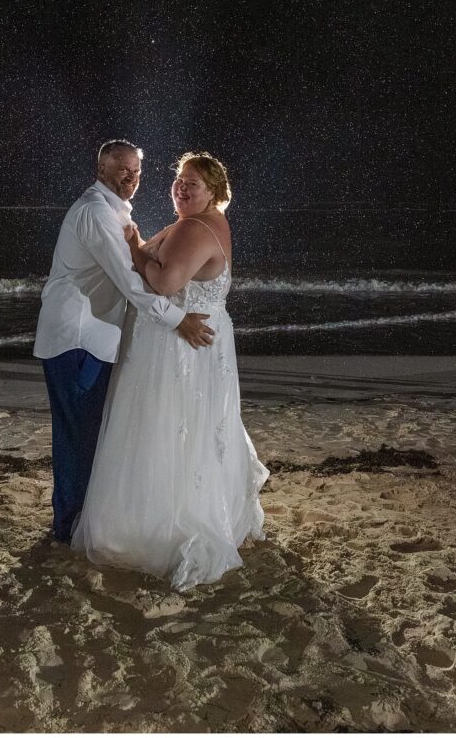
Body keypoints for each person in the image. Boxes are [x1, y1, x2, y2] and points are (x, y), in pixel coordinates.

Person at [71, 151, 270, 592]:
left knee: (166, 425)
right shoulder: (202, 222)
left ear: (213, 191)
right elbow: (155, 260)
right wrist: (138, 246)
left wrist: (130, 248)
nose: (181, 187)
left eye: (192, 183)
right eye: (179, 180)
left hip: (180, 345)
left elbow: (163, 282)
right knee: (194, 427)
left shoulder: (195, 227)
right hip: (196, 340)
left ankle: (156, 526)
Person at [33, 140, 216, 543]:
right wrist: (177, 320)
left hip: (94, 336)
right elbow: (129, 281)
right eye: (122, 170)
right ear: (101, 170)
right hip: (76, 338)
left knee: (89, 432)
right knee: (77, 436)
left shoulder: (116, 210)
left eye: (136, 171)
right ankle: (67, 527)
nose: (131, 178)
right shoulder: (96, 212)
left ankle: (78, 521)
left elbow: (135, 262)